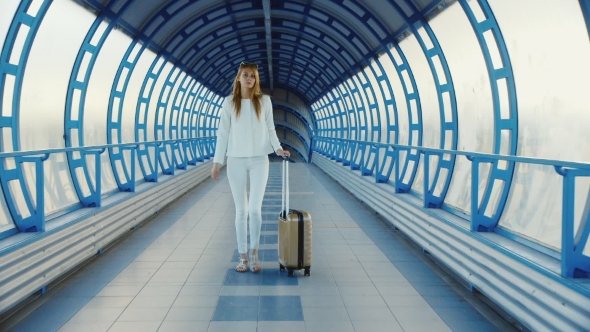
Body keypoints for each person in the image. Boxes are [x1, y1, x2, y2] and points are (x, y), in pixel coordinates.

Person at [211, 62, 290, 273]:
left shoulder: (264, 101)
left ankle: (254, 254)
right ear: (238, 78)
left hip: (259, 159)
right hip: (235, 160)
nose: (249, 79)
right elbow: (223, 133)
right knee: (241, 211)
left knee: (254, 210)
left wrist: (278, 148)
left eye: (253, 76)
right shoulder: (229, 103)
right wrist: (217, 162)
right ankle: (242, 256)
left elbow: (270, 128)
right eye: (245, 75)